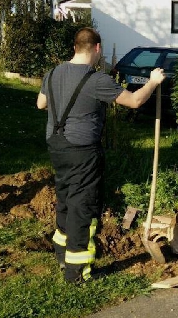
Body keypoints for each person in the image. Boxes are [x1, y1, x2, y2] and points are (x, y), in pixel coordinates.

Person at [37, 28, 165, 284]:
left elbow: (41, 104)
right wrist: (153, 81)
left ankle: (62, 255)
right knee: (82, 207)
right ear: (97, 48)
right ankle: (77, 273)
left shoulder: (52, 73)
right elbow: (135, 101)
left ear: (74, 47)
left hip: (57, 146)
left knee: (65, 198)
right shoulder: (96, 80)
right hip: (82, 151)